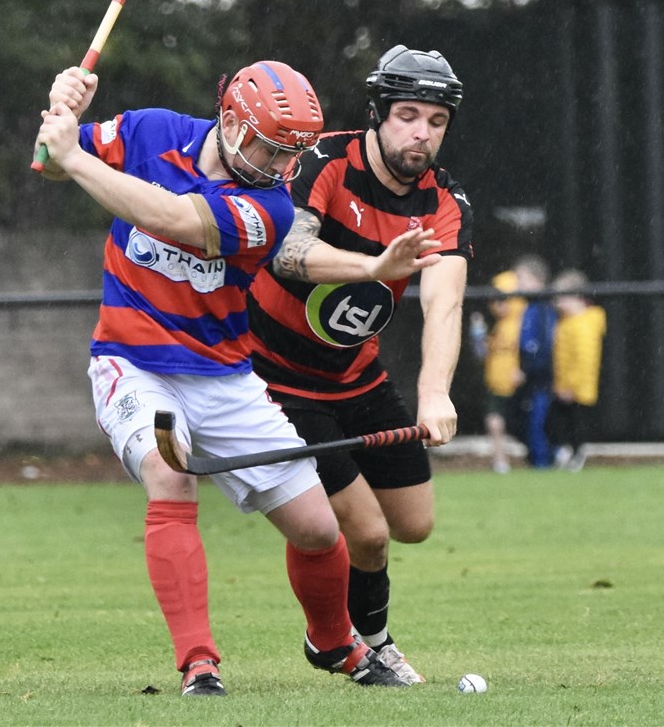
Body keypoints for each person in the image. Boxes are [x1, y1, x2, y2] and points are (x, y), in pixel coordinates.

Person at [34, 61, 407, 696]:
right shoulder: (150, 130)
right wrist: (59, 110)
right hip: (133, 363)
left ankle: (333, 642)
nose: (282, 165)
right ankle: (199, 663)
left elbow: (175, 219)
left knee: (319, 530)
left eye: (293, 153)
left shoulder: (271, 208)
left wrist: (74, 157)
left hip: (226, 378)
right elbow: (47, 158)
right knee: (169, 474)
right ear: (231, 122)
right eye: (271, 146)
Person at [245, 44, 473, 686]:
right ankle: (364, 646)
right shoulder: (321, 162)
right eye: (407, 115)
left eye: (435, 121)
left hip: (358, 379)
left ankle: (315, 542)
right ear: (377, 113)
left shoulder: (443, 202)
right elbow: (289, 254)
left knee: (415, 525)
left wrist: (434, 393)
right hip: (277, 379)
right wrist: (374, 268)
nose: (420, 133)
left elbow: (445, 303)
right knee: (366, 534)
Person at [548, 269, 607, 472]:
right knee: (560, 423)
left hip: (577, 388)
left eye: (562, 297)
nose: (557, 302)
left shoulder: (584, 324)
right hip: (564, 385)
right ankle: (567, 452)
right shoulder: (565, 322)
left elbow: (584, 359)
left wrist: (571, 386)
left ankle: (577, 454)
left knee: (576, 424)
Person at [471, 269, 524, 474]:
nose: (498, 303)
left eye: (503, 298)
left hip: (517, 381)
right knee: (494, 419)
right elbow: (482, 353)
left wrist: (522, 371)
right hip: (497, 381)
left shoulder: (522, 322)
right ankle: (500, 459)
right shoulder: (499, 326)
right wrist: (478, 334)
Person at [511, 255, 557, 469]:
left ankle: (546, 462)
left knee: (537, 424)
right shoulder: (529, 308)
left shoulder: (543, 309)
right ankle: (541, 461)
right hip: (532, 378)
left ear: (538, 281)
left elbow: (543, 347)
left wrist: (526, 370)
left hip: (541, 379)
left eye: (522, 279)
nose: (518, 285)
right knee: (521, 421)